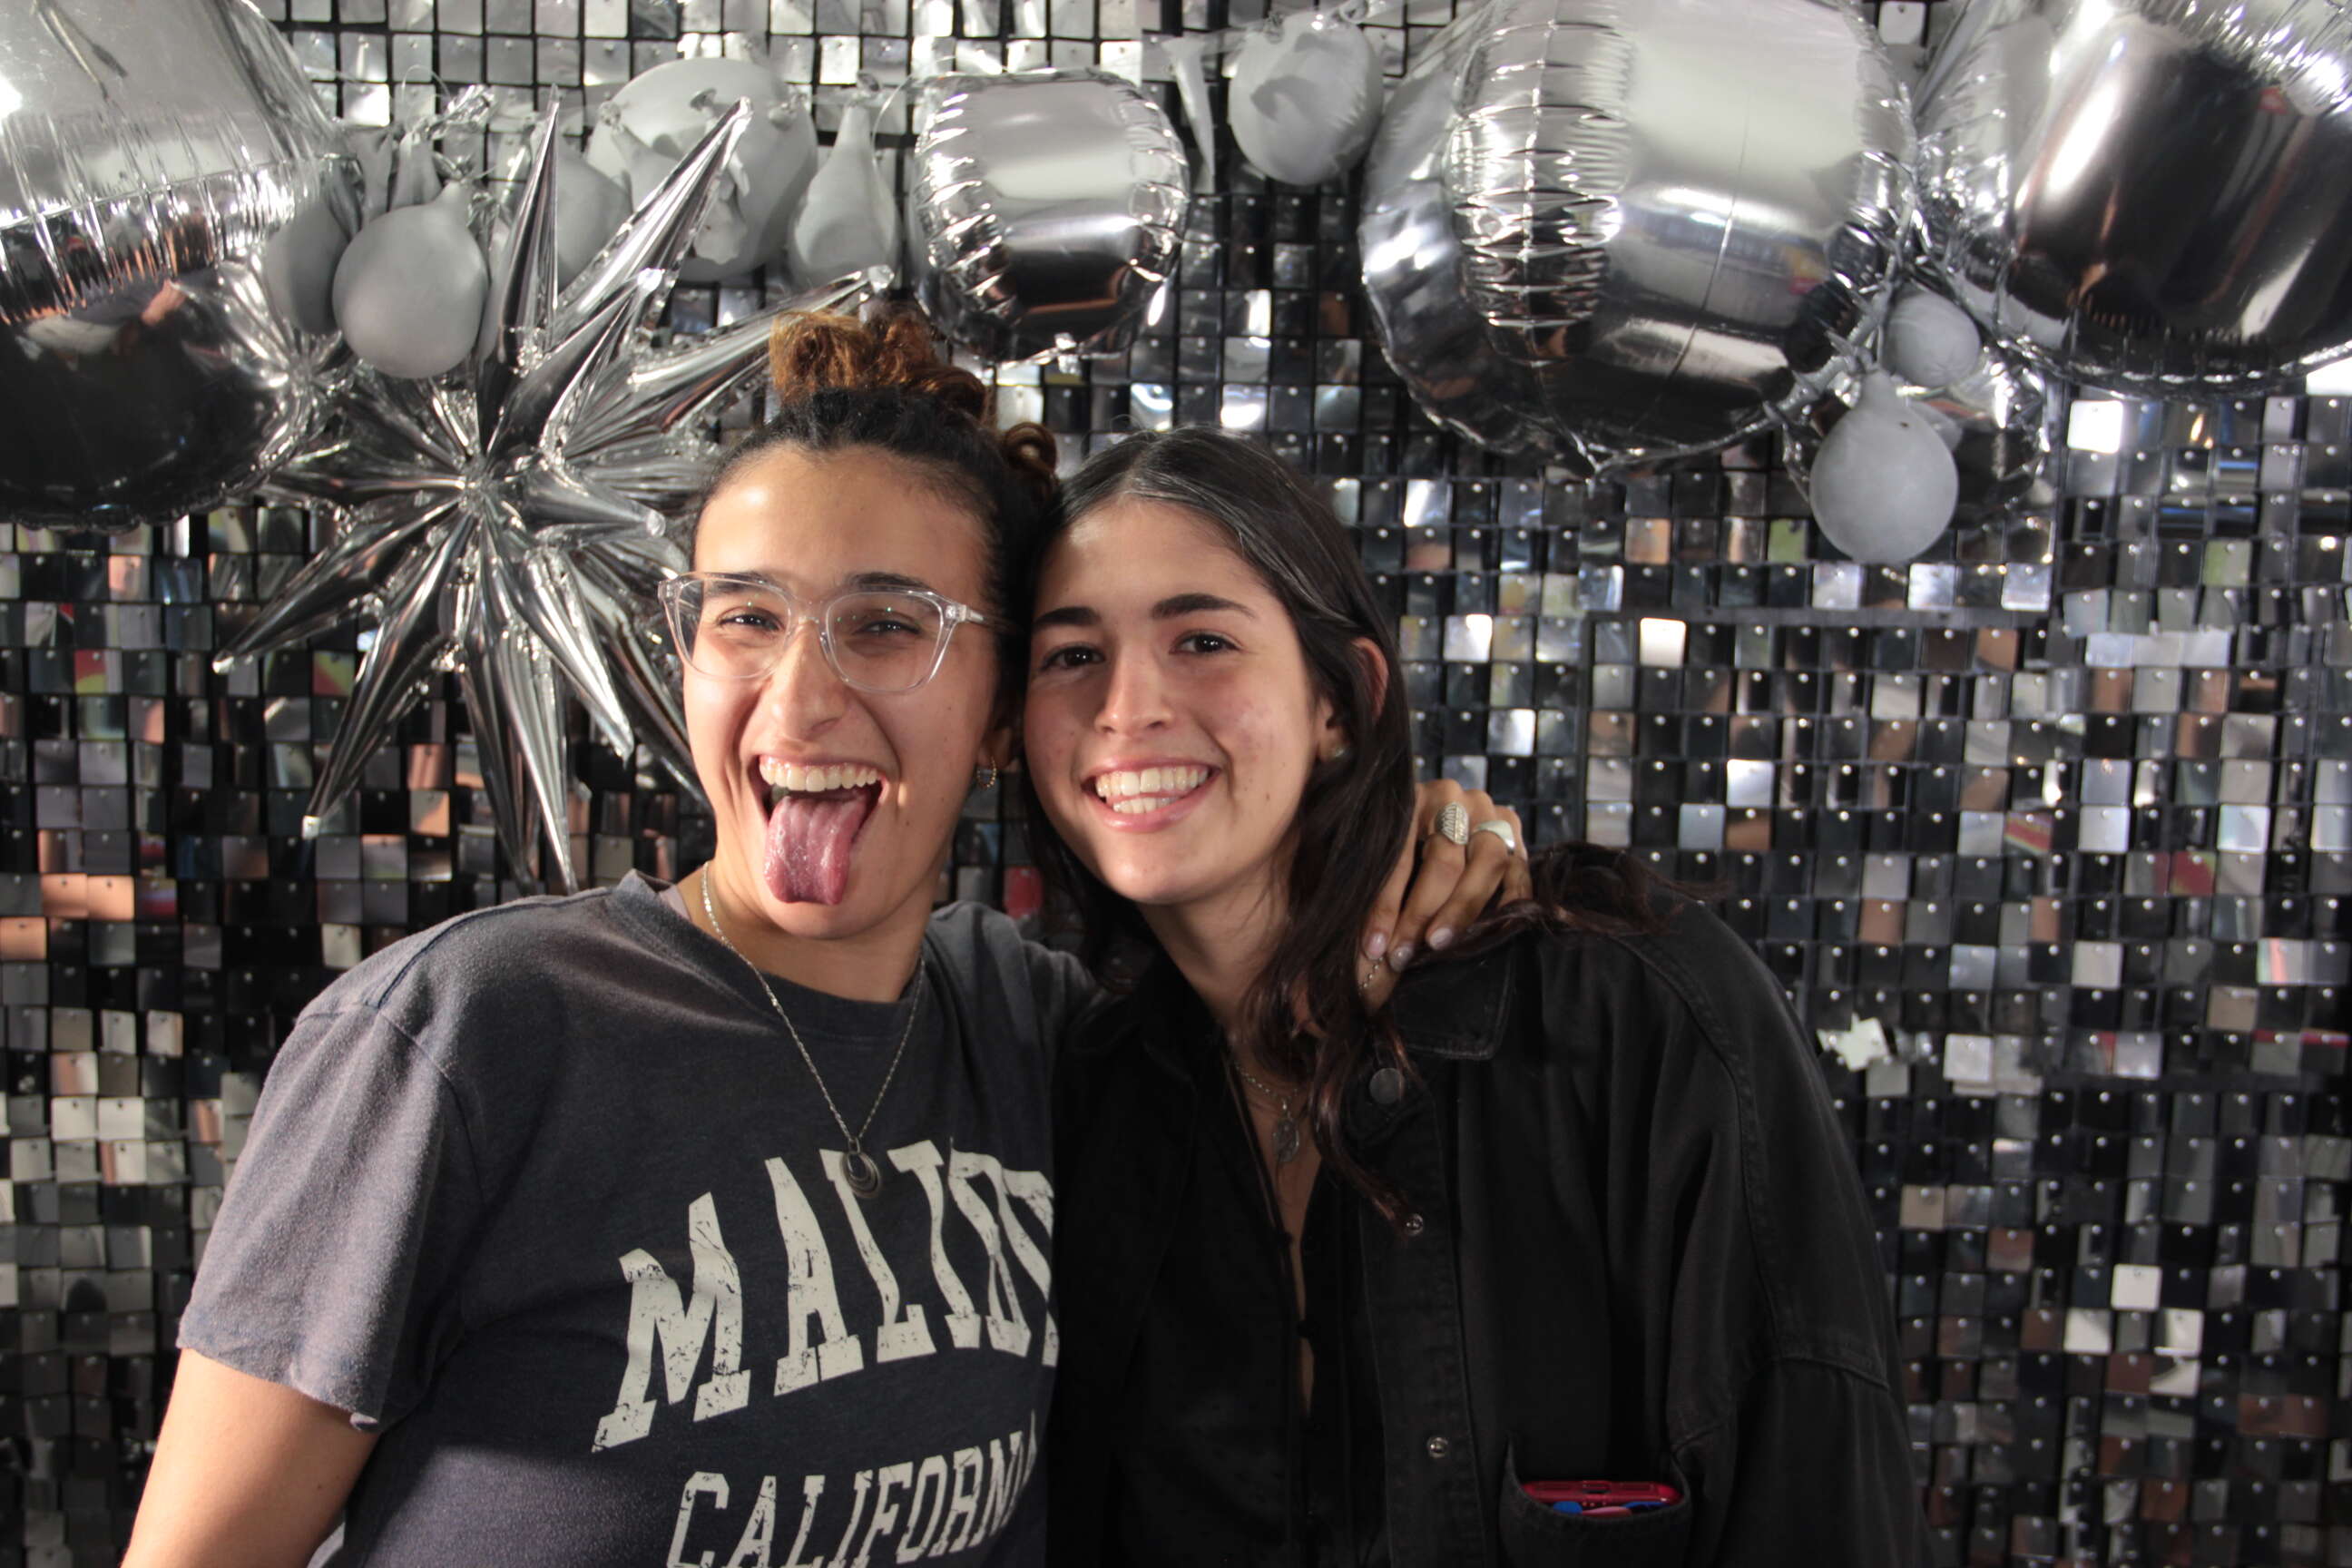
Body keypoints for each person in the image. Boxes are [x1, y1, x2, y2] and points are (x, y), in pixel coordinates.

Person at [122, 312, 1524, 1568]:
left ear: (1002, 715)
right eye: (745, 618)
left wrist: (1426, 830)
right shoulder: (466, 1036)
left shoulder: (1038, 1034)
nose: (797, 702)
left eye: (888, 625)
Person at [1027, 426, 1927, 1566]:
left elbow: (1816, 1503)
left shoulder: (1636, 1013)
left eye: (1202, 640)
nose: (1126, 707)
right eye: (1072, 654)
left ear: (1340, 701)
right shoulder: (1082, 1093)